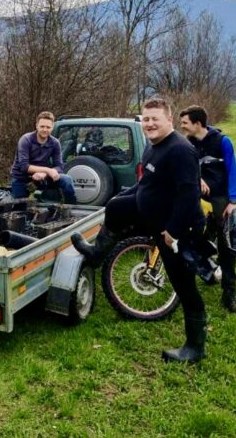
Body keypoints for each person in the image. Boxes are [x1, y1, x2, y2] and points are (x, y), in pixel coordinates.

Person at [71, 98, 208, 363]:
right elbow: (147, 182)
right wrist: (126, 195)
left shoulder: (180, 150)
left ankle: (195, 347)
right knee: (115, 207)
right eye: (146, 119)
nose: (150, 124)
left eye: (155, 118)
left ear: (169, 119)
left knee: (184, 286)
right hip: (153, 216)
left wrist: (174, 232)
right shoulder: (153, 147)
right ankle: (97, 253)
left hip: (177, 229)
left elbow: (190, 196)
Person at [179, 105, 236, 314]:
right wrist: (198, 179)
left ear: (198, 123)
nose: (182, 128)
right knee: (195, 240)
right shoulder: (187, 144)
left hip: (220, 200)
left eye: (185, 124)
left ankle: (230, 295)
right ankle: (206, 272)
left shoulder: (223, 142)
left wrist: (232, 200)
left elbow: (232, 170)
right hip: (196, 199)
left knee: (226, 248)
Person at [10, 111, 77, 204]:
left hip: (43, 178)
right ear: (37, 125)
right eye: (42, 126)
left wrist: (44, 174)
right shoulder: (26, 140)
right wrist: (48, 170)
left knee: (67, 180)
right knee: (19, 207)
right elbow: (24, 166)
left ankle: (71, 208)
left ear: (52, 127)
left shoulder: (55, 143)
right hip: (22, 177)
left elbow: (60, 166)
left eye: (48, 127)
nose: (45, 130)